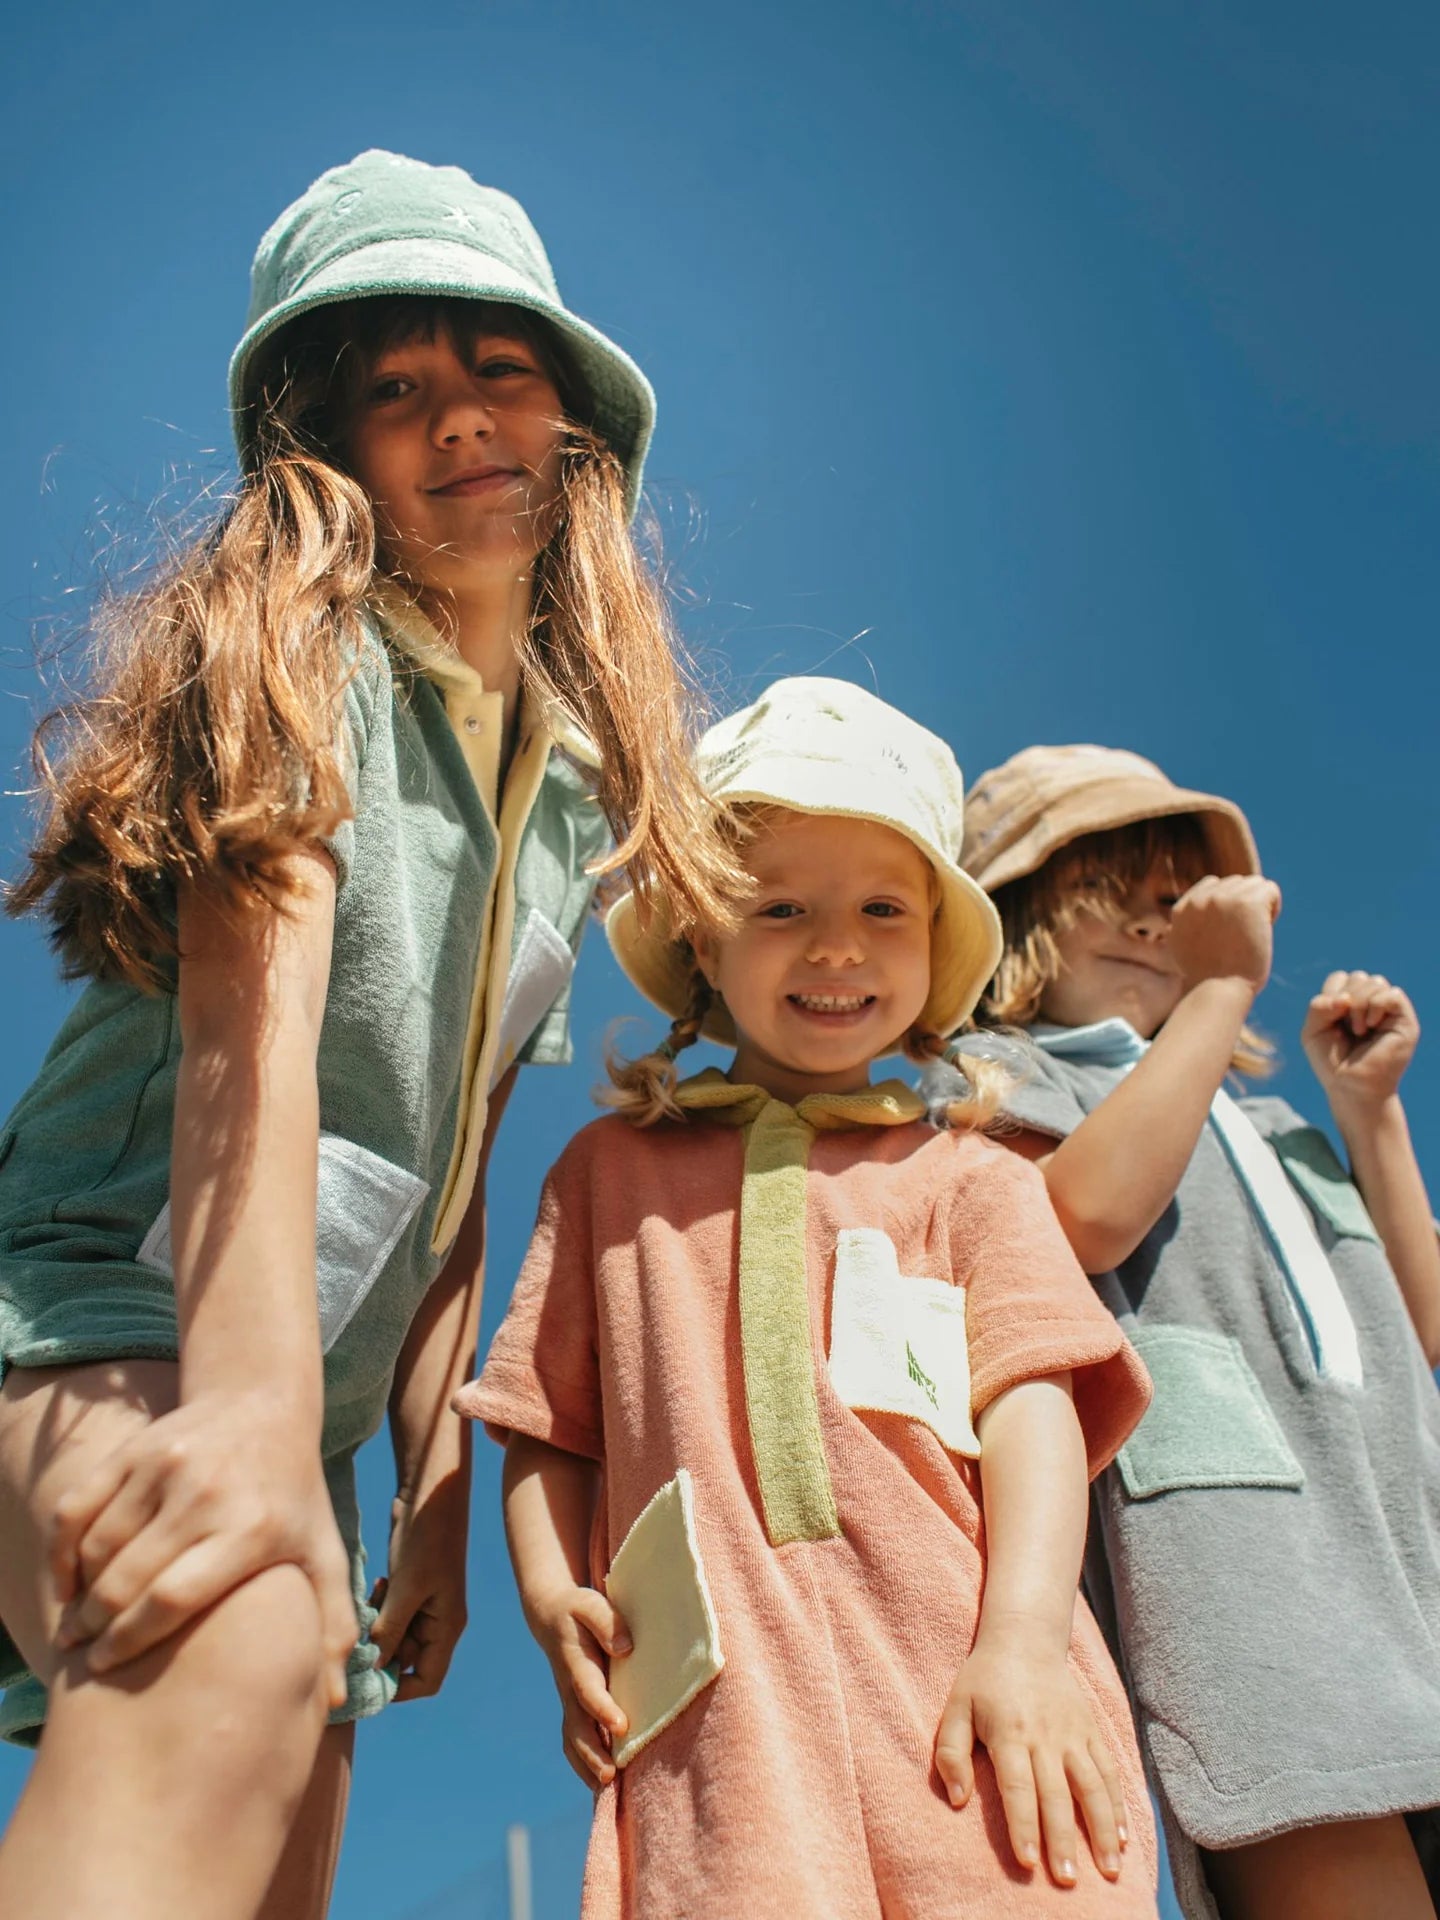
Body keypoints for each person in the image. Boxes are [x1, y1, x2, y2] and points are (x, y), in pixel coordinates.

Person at [0, 148, 739, 1920]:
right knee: (234, 1644)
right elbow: (246, 1034)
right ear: (326, 450)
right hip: (109, 1299)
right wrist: (251, 1419)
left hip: (303, 1390)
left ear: (573, 429)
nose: (461, 415)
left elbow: (453, 1152)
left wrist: (425, 1475)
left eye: (500, 370)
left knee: (278, 1862)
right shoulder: (307, 653)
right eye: (394, 389)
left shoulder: (559, 791)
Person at [456, 678, 1161, 1918]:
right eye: (779, 906)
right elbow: (543, 1426)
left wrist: (1026, 1645)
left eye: (885, 909)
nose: (837, 945)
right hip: (720, 1729)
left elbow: (1032, 1411)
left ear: (935, 955)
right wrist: (543, 1590)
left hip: (973, 1695)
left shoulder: (972, 1179)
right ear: (700, 944)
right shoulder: (607, 1177)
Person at [925, 744, 1440, 1920]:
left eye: (1177, 899)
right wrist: (1220, 993)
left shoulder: (1266, 1116)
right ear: (1013, 914)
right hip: (1260, 1604)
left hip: (1414, 1559)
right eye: (1111, 886)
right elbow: (1086, 1218)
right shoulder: (1010, 1076)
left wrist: (1369, 1118)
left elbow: (1415, 1328)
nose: (1159, 923)